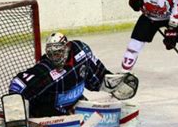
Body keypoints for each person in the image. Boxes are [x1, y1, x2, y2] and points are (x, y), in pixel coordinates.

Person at [8, 32, 137, 118]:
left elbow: (97, 76)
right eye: (51, 54)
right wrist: (15, 110)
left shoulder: (80, 51)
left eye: (57, 53)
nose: (54, 58)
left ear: (67, 47)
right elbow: (18, 84)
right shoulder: (45, 69)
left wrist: (113, 83)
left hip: (74, 104)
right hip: (47, 112)